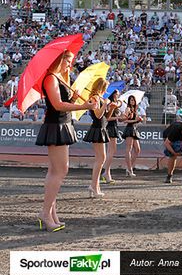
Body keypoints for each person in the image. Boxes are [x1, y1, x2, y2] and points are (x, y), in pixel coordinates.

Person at [35, 50, 97, 232]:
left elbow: (63, 103)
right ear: (58, 60)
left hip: (61, 123)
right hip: (56, 125)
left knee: (55, 171)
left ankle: (51, 213)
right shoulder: (50, 78)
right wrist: (83, 105)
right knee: (61, 170)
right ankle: (45, 213)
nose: (70, 65)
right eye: (67, 61)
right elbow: (57, 105)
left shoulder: (59, 78)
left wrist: (74, 98)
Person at [83, 78, 110, 198]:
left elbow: (104, 116)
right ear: (101, 88)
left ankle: (95, 185)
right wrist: (104, 104)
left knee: (101, 159)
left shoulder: (98, 98)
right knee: (100, 159)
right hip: (97, 128)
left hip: (101, 128)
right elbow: (98, 115)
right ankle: (94, 186)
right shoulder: (94, 98)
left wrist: (108, 105)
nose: (106, 91)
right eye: (105, 88)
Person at [101, 89, 123, 184]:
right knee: (111, 150)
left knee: (112, 150)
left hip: (113, 126)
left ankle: (106, 172)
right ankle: (106, 172)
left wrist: (121, 117)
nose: (118, 95)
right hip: (110, 127)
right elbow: (108, 118)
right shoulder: (110, 103)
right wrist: (118, 117)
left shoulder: (114, 103)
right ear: (113, 94)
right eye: (117, 94)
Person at [122, 95, 142, 177]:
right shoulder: (128, 109)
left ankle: (129, 167)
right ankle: (130, 169)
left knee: (137, 149)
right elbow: (125, 120)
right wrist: (135, 120)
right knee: (128, 149)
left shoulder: (135, 110)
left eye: (133, 100)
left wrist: (139, 119)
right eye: (131, 100)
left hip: (134, 129)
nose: (132, 101)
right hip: (129, 129)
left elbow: (136, 120)